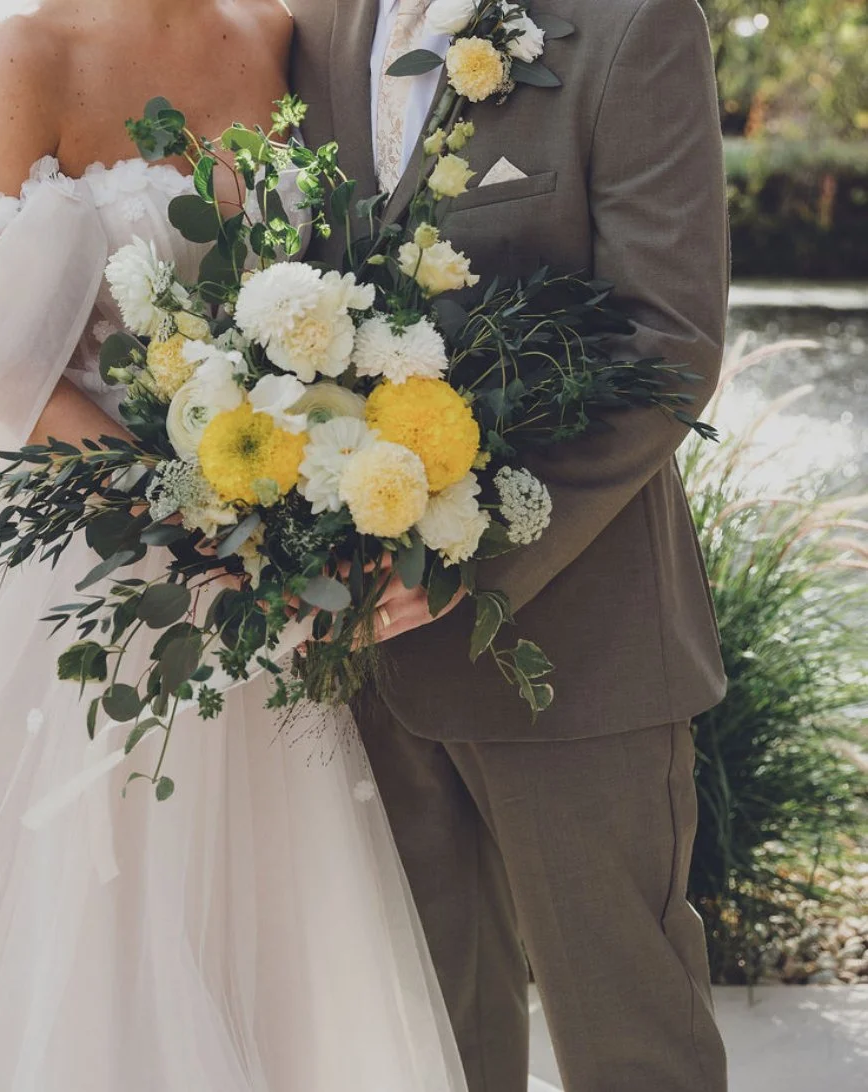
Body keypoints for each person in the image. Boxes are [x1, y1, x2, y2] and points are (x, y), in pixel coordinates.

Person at [0, 0, 504, 1088]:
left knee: (264, 925)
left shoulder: (276, 34)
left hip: (263, 581)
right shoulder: (24, 56)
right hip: (82, 563)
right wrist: (187, 506)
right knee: (72, 935)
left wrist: (312, 490)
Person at [288, 0, 731, 1089]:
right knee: (428, 1051)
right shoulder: (314, 24)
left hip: (574, 653)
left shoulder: (633, 25)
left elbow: (668, 345)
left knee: (630, 1045)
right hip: (361, 663)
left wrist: (462, 558)